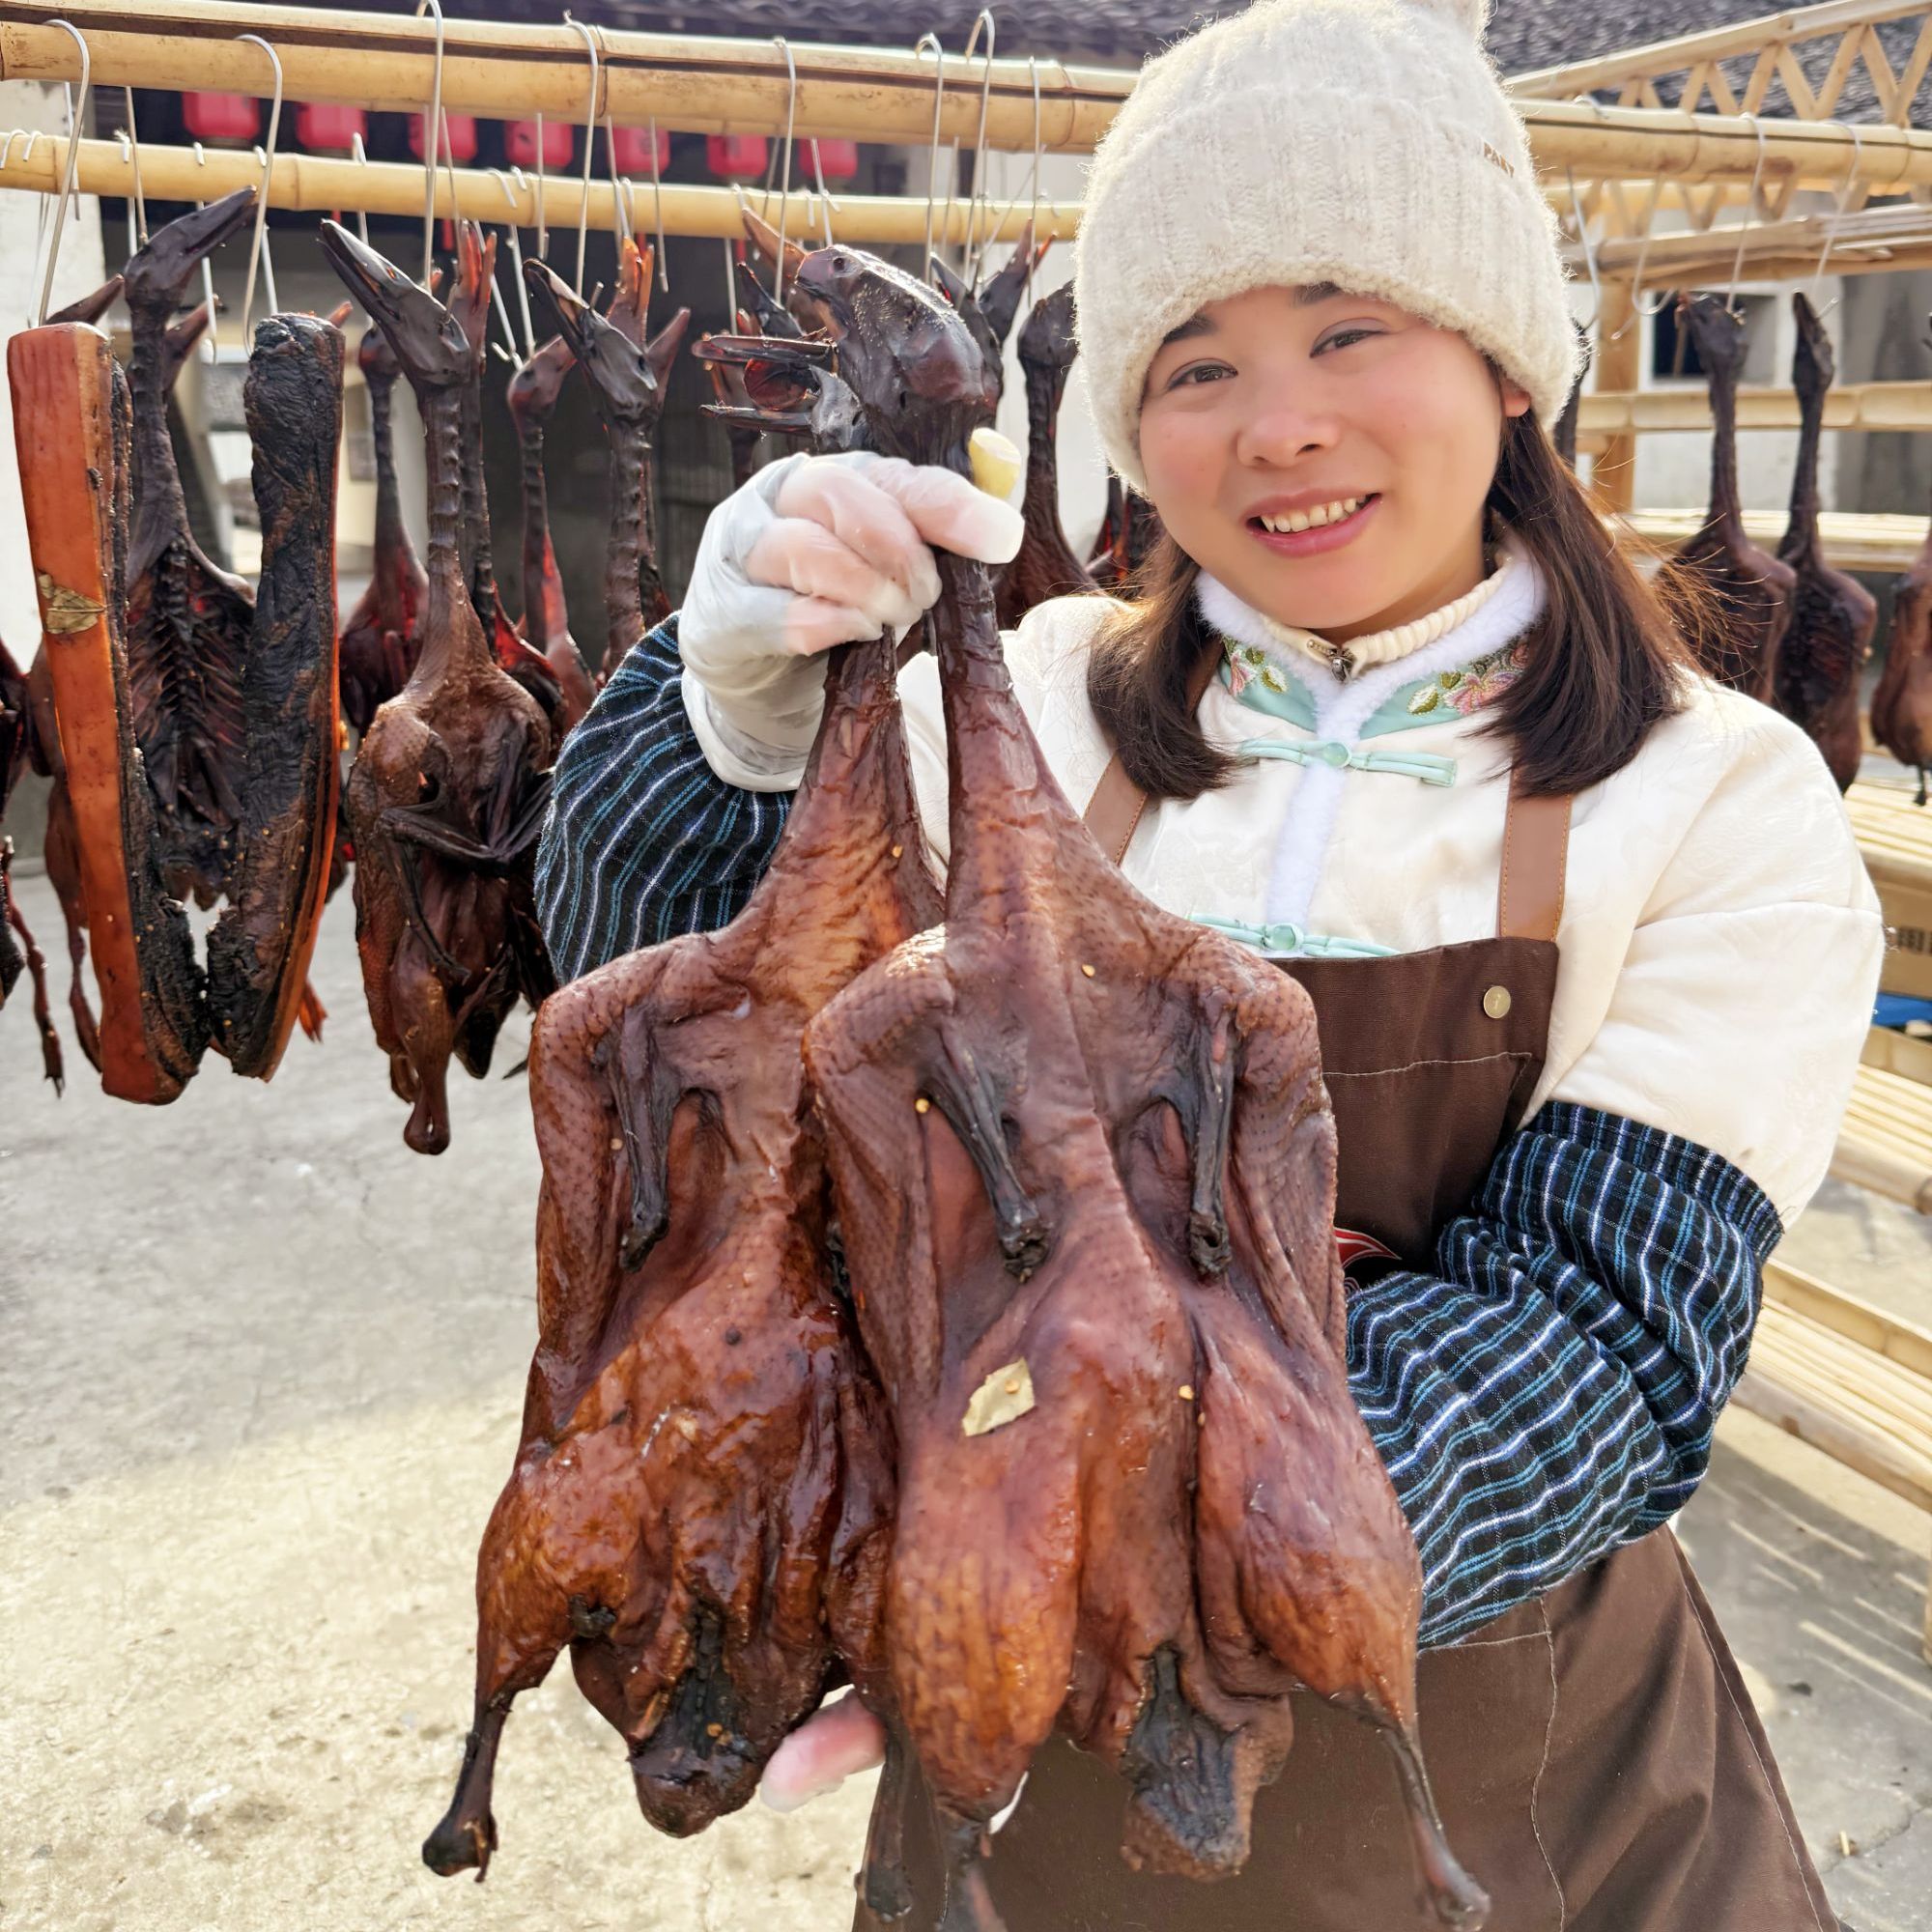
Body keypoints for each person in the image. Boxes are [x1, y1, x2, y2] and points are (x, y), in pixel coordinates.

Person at [534, 0, 1884, 1923]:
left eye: (1351, 331)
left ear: (1504, 368)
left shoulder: (1708, 792)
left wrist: (1104, 1558)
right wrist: (724, 720)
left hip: (1520, 1783)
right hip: (1025, 1785)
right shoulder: (1019, 709)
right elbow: (683, 1077)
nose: (1280, 427)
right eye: (1194, 363)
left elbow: (1597, 1332)